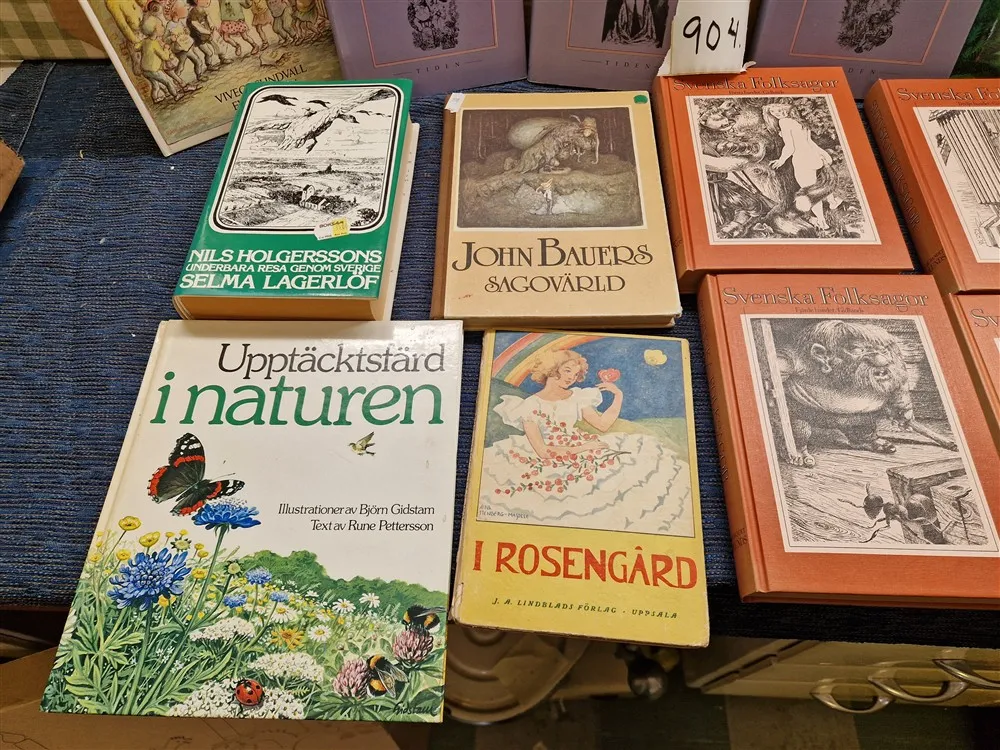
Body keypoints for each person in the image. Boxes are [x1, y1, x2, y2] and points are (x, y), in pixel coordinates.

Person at [478, 349, 693, 536]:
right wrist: (582, 448)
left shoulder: (577, 397)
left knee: (634, 469)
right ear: (551, 369)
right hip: (553, 456)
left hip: (583, 446)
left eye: (575, 373)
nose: (571, 377)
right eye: (567, 370)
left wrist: (618, 396)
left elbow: (602, 425)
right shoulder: (529, 405)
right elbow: (542, 451)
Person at [763, 102, 837, 230]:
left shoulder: (784, 122)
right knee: (818, 184)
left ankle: (823, 222)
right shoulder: (800, 122)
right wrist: (822, 154)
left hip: (802, 160)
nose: (777, 114)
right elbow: (809, 141)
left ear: (786, 109)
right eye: (773, 112)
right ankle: (832, 201)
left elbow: (790, 147)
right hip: (814, 156)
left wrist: (781, 160)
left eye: (779, 110)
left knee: (810, 193)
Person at [138, 15, 184, 103]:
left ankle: (155, 98)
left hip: (144, 70)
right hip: (154, 70)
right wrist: (166, 49)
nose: (163, 27)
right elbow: (165, 57)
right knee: (167, 82)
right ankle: (176, 95)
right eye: (161, 26)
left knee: (155, 85)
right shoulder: (155, 43)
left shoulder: (144, 41)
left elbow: (136, 47)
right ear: (155, 30)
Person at [165, 1, 207, 81]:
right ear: (176, 12)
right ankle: (176, 81)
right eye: (183, 7)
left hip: (186, 47)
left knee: (198, 61)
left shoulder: (180, 22)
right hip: (180, 50)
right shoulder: (170, 25)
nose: (186, 9)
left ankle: (199, 75)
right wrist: (171, 38)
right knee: (180, 66)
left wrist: (187, 31)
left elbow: (186, 32)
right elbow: (165, 39)